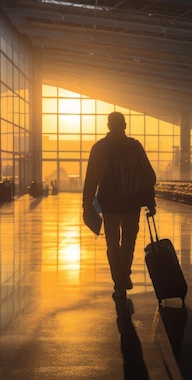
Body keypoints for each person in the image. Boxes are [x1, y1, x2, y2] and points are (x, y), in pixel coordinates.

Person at [82, 112, 156, 299]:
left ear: (108, 126)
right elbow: (147, 176)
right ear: (124, 125)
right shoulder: (135, 146)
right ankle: (124, 274)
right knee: (129, 241)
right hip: (132, 203)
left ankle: (119, 279)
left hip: (110, 204)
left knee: (112, 243)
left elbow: (91, 178)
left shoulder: (99, 148)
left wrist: (87, 205)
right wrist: (150, 200)